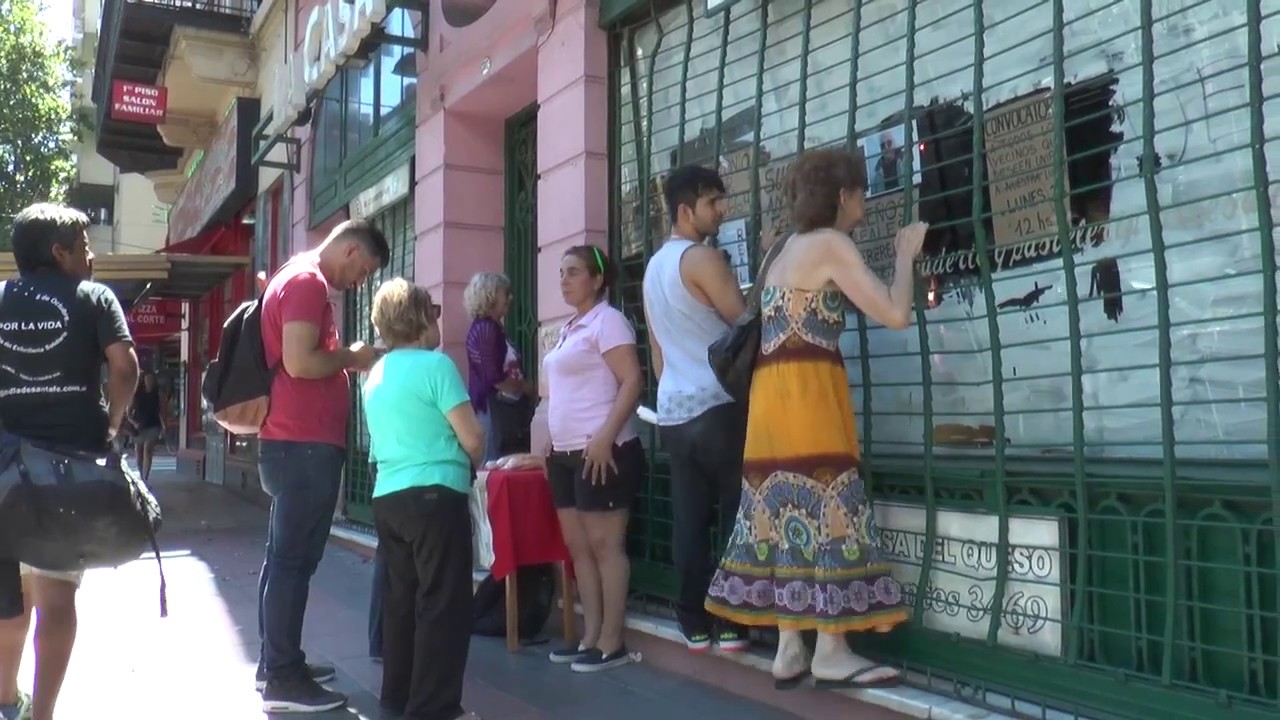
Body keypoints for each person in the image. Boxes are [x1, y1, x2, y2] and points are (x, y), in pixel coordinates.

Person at [704, 148, 927, 690]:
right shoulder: (831, 243)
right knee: (828, 505)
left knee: (782, 511)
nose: (865, 203)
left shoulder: (778, 250)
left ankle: (788, 646)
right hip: (808, 397)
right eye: (861, 191)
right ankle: (831, 649)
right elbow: (896, 313)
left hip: (769, 401)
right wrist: (905, 256)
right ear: (843, 195)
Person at [0, 203, 139, 720]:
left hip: (3, 472)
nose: (93, 255)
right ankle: (44, 717)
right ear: (59, 253)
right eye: (83, 245)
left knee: (7, 601)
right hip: (67, 471)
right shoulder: (94, 298)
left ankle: (6, 702)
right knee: (57, 600)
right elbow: (124, 367)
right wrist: (111, 424)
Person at [256, 219, 389, 713]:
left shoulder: (298, 278)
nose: (360, 282)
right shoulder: (308, 282)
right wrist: (350, 357)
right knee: (292, 562)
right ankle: (284, 679)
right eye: (364, 270)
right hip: (302, 445)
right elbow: (300, 362)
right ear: (351, 250)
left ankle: (277, 662)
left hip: (296, 445)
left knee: (284, 559)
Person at [361, 279, 484, 720]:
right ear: (419, 319)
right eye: (431, 310)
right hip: (436, 492)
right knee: (443, 602)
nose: (438, 317)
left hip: (388, 497)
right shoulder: (437, 367)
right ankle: (434, 707)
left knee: (400, 601)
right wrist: (477, 456)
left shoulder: (374, 375)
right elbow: (471, 436)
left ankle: (397, 696)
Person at [641, 164, 751, 653]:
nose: (722, 210)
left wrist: (675, 390)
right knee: (733, 514)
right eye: (713, 202)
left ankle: (690, 617)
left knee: (689, 519)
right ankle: (729, 621)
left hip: (675, 410)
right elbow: (744, 323)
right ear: (685, 210)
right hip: (720, 404)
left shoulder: (652, 269)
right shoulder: (702, 259)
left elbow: (657, 350)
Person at [543, 246, 644, 673]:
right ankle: (590, 636)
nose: (564, 280)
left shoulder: (609, 321)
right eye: (561, 272)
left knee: (606, 546)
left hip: (602, 451)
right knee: (579, 548)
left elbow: (632, 380)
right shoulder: (569, 329)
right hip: (563, 455)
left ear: (598, 280)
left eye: (574, 272)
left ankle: (612, 642)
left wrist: (605, 436)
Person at [463, 272, 525, 463]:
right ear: (490, 295)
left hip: (501, 408)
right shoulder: (485, 329)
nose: (510, 298)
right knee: (492, 464)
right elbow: (491, 376)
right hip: (492, 409)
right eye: (505, 293)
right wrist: (524, 387)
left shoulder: (493, 327)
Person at [130, 372, 166, 482]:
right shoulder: (137, 394)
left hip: (153, 425)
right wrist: (134, 423)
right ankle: (141, 475)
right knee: (138, 453)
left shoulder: (157, 394)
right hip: (139, 427)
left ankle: (145, 477)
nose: (149, 382)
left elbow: (161, 411)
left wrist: (164, 426)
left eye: (151, 380)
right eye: (147, 379)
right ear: (143, 381)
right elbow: (128, 412)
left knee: (147, 450)